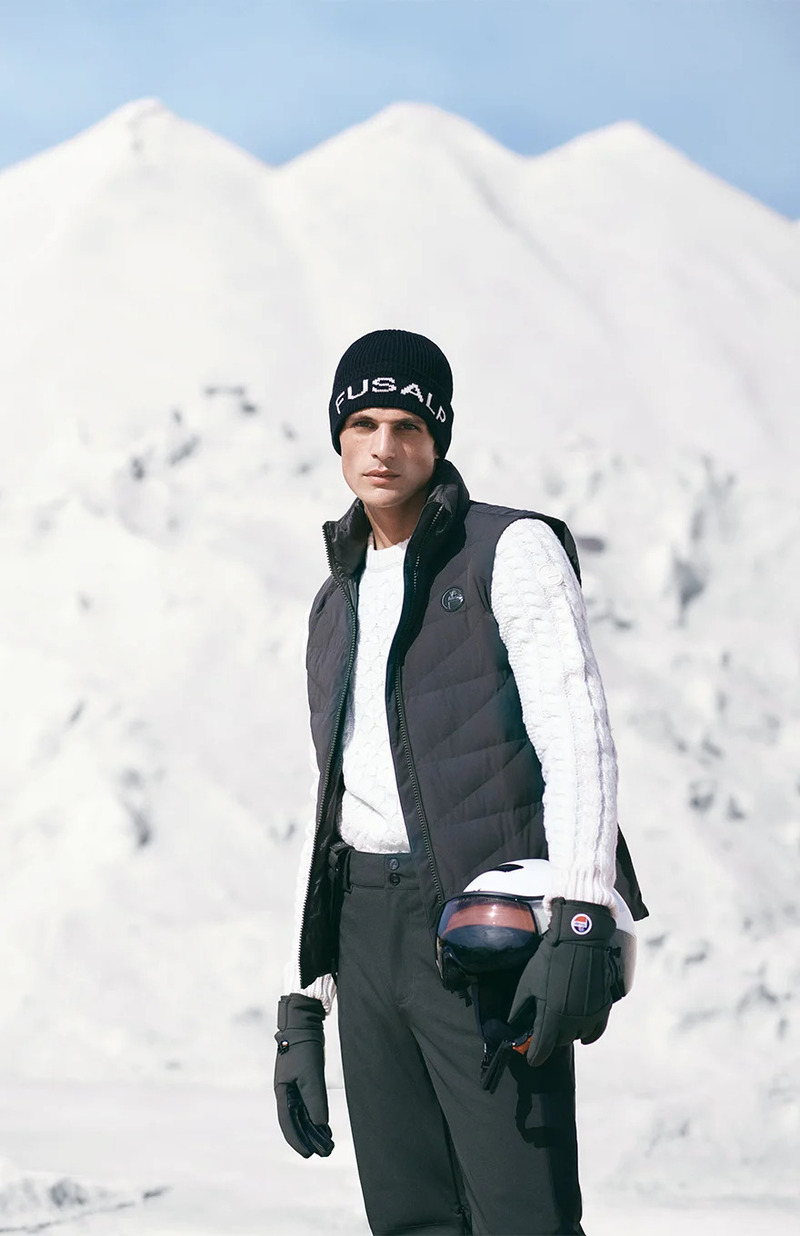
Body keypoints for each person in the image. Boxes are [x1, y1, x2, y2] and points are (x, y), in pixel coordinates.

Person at [274, 329, 647, 1236]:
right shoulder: (336, 597)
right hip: (364, 931)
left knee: (523, 1216)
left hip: (481, 923)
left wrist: (584, 912)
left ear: (438, 437)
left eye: (405, 424)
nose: (382, 446)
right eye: (361, 423)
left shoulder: (509, 550)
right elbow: (330, 801)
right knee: (407, 1217)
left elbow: (577, 730)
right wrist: (302, 998)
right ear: (337, 437)